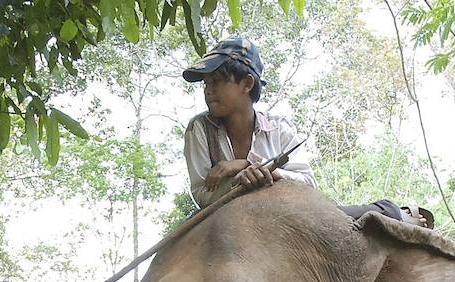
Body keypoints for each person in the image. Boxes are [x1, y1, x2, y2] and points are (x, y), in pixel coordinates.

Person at [182, 37, 432, 227]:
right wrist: (240, 185)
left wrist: (254, 167)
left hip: (288, 212)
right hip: (229, 221)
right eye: (206, 84)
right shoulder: (199, 130)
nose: (208, 90)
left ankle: (396, 215)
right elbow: (202, 194)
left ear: (246, 84)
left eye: (217, 82)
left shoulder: (279, 128)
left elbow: (308, 183)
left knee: (344, 219)